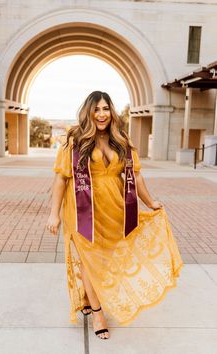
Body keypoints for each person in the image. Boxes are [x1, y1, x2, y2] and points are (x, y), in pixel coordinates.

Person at [46, 91, 183, 340]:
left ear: (112, 111)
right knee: (89, 259)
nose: (101, 114)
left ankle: (88, 297)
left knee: (106, 260)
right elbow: (60, 178)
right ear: (88, 111)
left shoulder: (121, 140)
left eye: (106, 109)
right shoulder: (74, 141)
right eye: (96, 109)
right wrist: (53, 214)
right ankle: (98, 313)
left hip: (115, 208)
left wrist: (150, 201)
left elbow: (136, 175)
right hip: (82, 210)